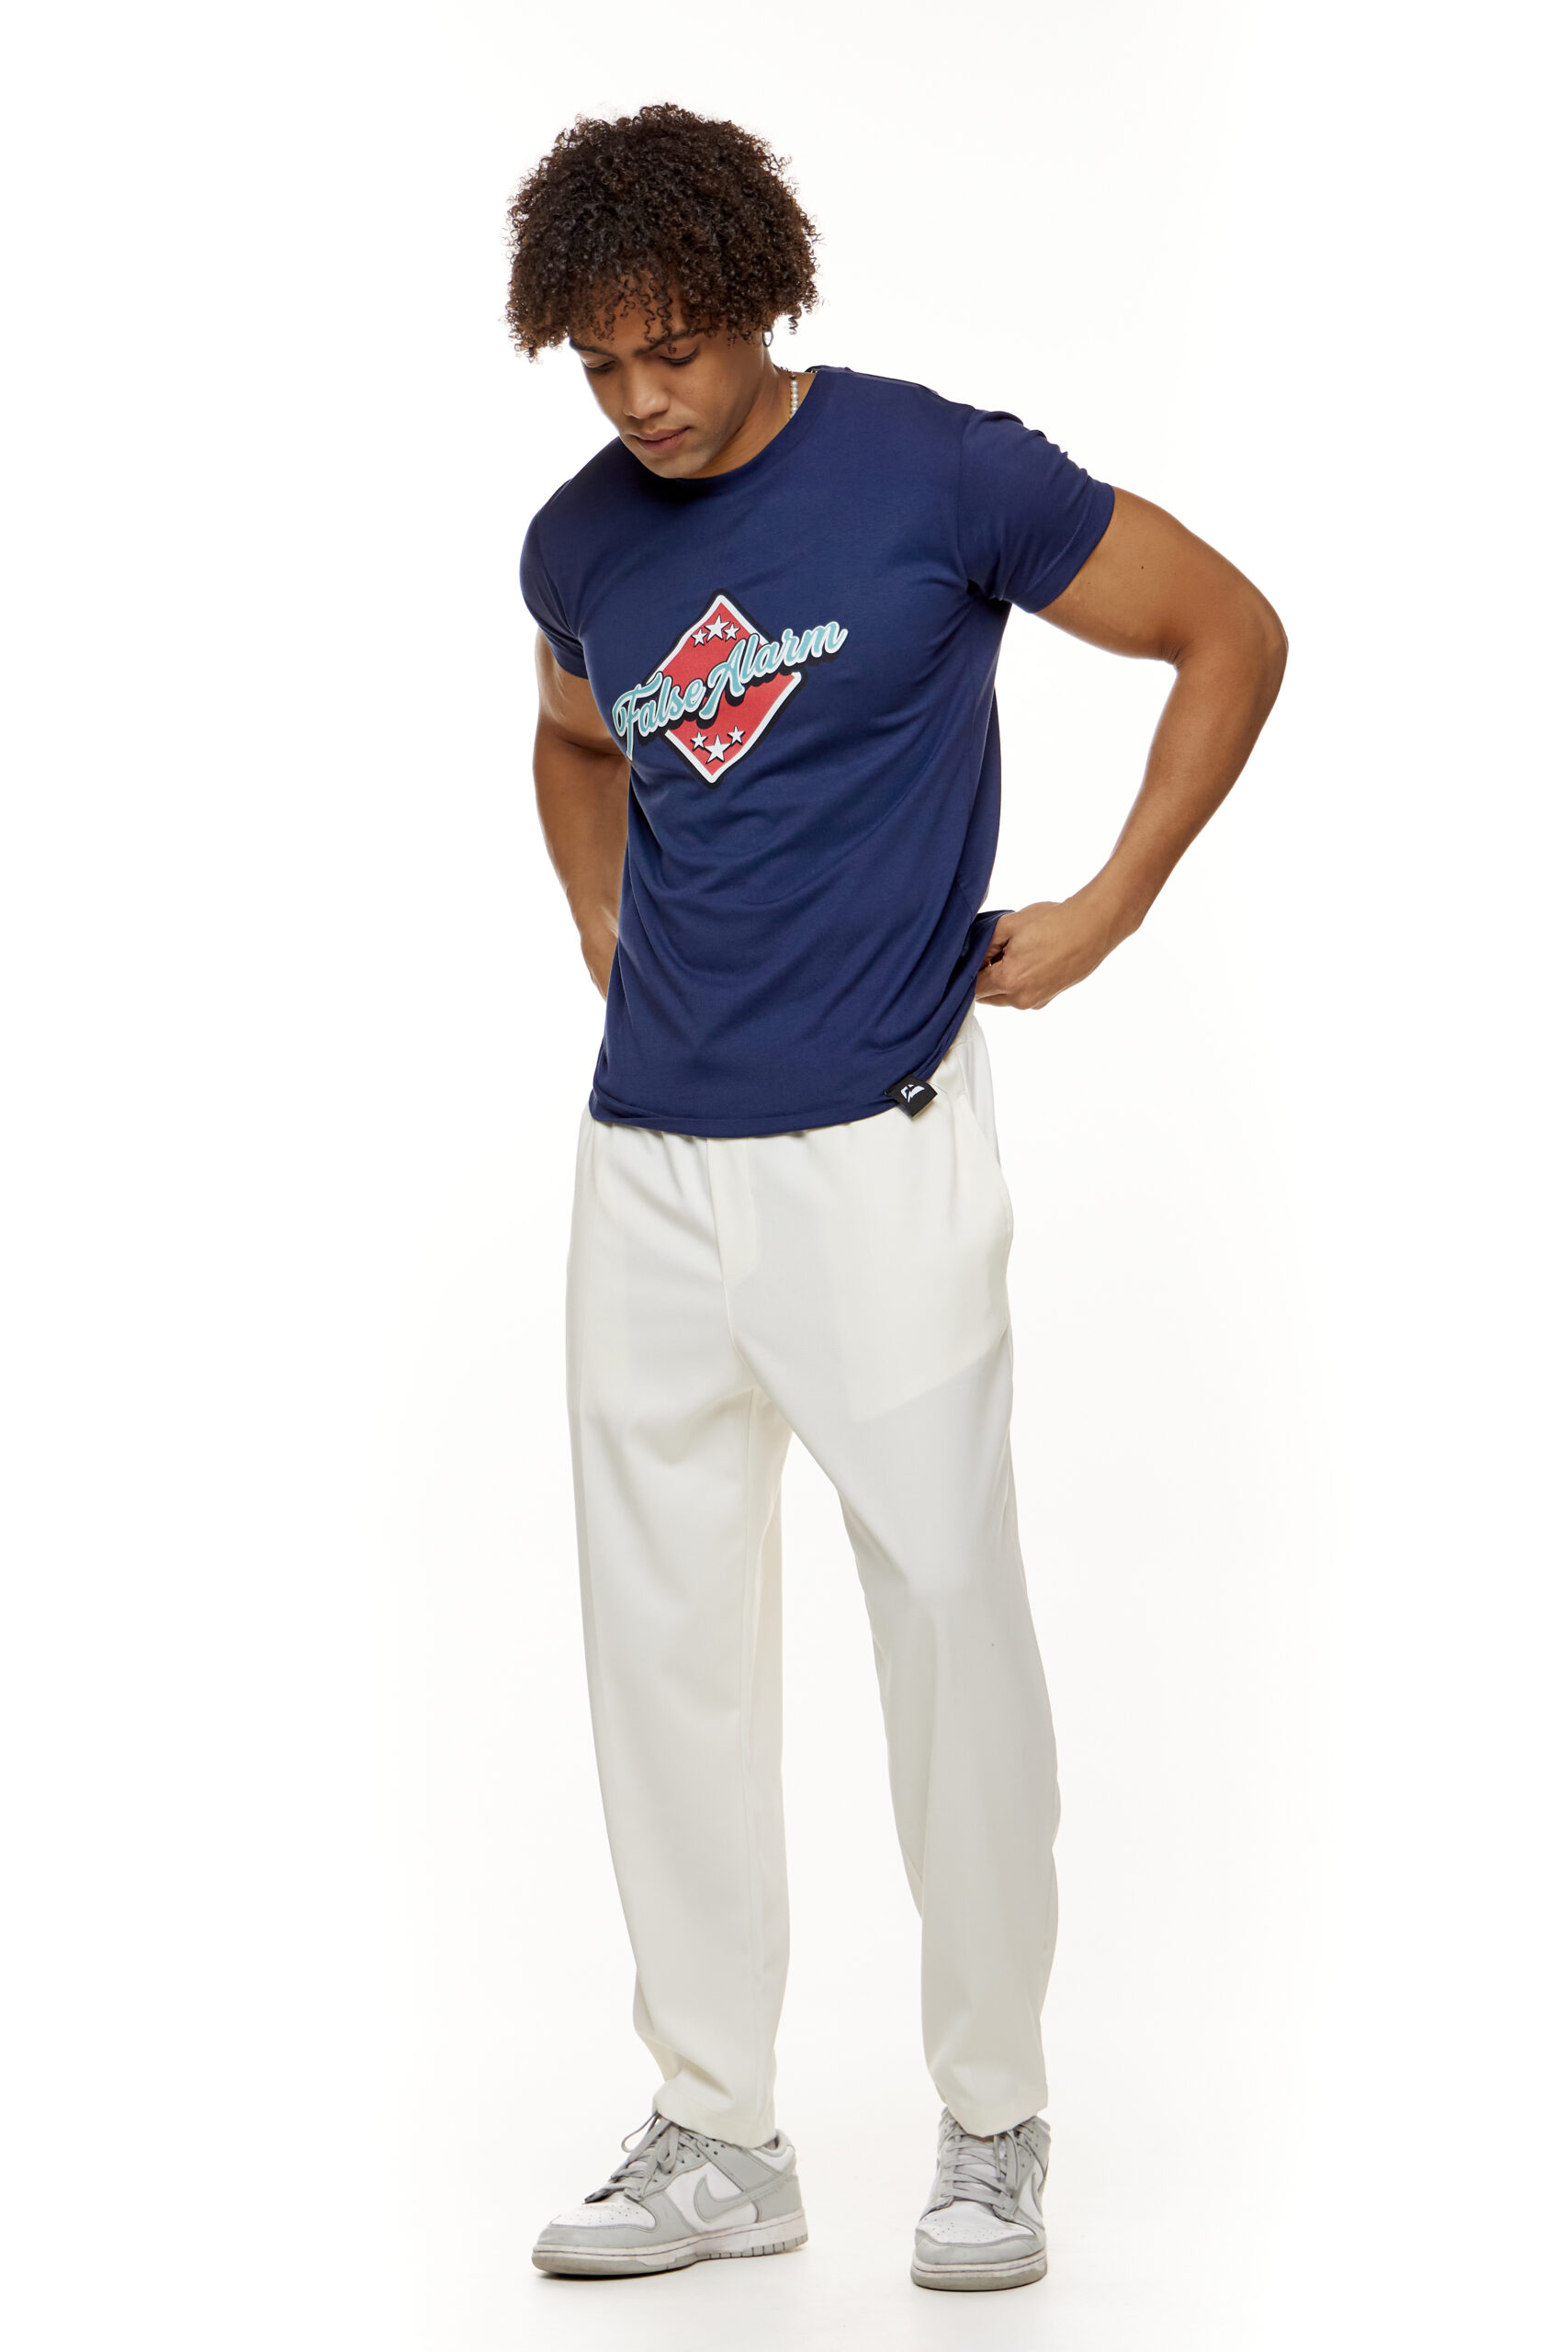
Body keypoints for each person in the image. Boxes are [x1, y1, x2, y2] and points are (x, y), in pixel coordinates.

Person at [509, 103, 1285, 2294]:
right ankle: (713, 2129)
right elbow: (573, 740)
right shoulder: (577, 544)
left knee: (949, 1626)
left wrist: (1109, 905)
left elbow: (1225, 628)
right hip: (644, 1163)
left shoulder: (940, 473)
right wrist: (599, 915)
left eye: (670, 347)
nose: (640, 397)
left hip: (879, 1139)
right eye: (599, 362)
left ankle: (991, 2116)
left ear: (756, 297)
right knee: (660, 1651)